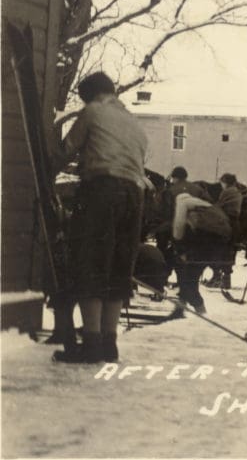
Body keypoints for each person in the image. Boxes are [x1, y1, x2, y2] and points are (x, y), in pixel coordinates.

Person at [50, 72, 148, 364]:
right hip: (135, 195)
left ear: (90, 95)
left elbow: (66, 150)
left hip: (102, 191)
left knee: (91, 261)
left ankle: (90, 343)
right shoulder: (134, 122)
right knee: (119, 266)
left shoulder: (92, 112)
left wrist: (46, 173)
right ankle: (109, 343)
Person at [172, 192, 231, 313]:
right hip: (220, 242)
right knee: (188, 277)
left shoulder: (182, 203)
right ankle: (179, 310)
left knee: (189, 280)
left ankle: (201, 313)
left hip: (204, 244)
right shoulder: (205, 205)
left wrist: (178, 247)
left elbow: (178, 230)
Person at [210, 173, 242, 289]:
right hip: (235, 225)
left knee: (220, 250)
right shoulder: (237, 191)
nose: (221, 185)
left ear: (226, 182)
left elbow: (219, 206)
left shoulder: (227, 192)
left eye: (222, 182)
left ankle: (218, 278)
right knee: (229, 252)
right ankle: (226, 280)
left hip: (226, 224)